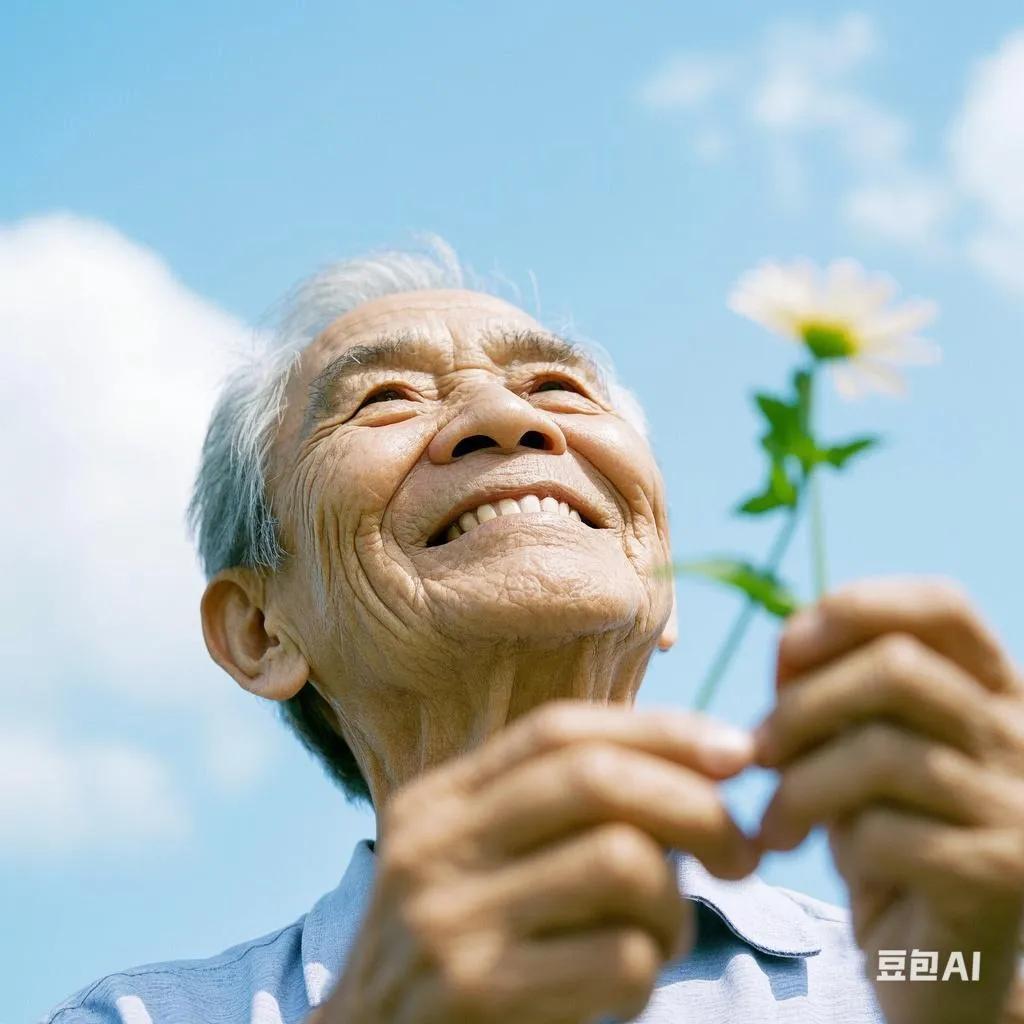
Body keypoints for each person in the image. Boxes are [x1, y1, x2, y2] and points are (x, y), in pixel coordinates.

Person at [45, 244, 1024, 1024]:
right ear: (259, 630)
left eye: (558, 387)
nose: (505, 417)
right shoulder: (138, 1015)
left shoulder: (922, 972)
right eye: (383, 397)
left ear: (663, 580)